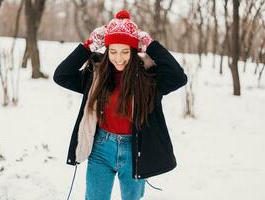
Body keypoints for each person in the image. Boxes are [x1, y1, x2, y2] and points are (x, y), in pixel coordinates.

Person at [53, 9, 187, 200]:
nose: (119, 58)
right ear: (107, 52)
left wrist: (151, 45)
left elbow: (178, 77)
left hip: (135, 149)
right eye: (113, 52)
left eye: (125, 52)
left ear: (133, 51)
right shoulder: (96, 75)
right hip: (101, 148)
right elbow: (61, 76)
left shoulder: (148, 79)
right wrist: (88, 46)